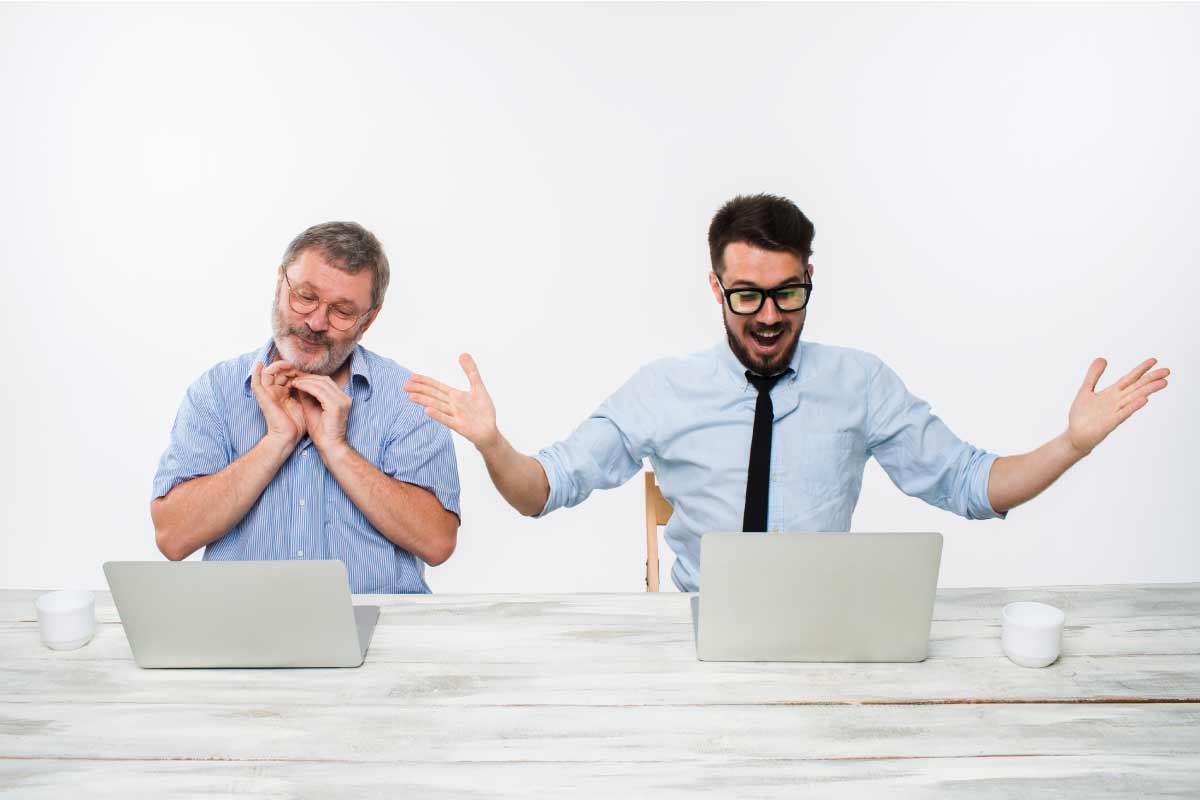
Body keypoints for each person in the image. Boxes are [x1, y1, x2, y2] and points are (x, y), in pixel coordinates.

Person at [404, 194, 1170, 592]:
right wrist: (495, 445)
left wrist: (1071, 443)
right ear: (715, 287)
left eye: (786, 293)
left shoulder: (860, 383)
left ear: (808, 282)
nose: (768, 316)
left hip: (824, 625)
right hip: (703, 629)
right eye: (745, 295)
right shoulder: (664, 389)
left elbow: (972, 484)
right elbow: (544, 491)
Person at [151, 221, 460, 593]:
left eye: (342, 311)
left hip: (380, 631)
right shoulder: (216, 392)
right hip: (244, 630)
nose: (315, 322)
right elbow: (172, 536)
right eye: (306, 297)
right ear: (280, 282)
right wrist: (277, 441)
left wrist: (338, 449)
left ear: (370, 318)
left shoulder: (407, 399)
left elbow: (437, 542)